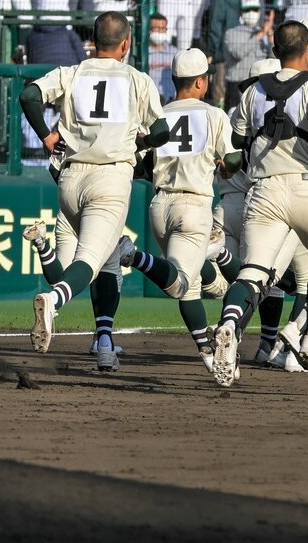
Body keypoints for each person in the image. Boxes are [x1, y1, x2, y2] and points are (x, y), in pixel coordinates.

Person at [210, 19, 308, 386]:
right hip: (306, 187)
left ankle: (230, 325)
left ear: (275, 50)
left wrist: (240, 159)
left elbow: (238, 144)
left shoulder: (253, 92)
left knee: (254, 273)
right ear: (307, 49)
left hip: (263, 192)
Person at [19, 12, 168, 369]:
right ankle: (53, 301)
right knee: (88, 261)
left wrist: (47, 136)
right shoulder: (137, 79)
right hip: (109, 179)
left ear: (92, 43)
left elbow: (29, 96)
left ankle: (104, 342)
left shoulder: (72, 72)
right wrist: (143, 142)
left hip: (70, 179)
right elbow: (162, 132)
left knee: (102, 257)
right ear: (126, 44)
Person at [116, 49, 240, 373]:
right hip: (194, 205)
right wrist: (225, 166)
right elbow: (234, 160)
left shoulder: (160, 116)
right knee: (181, 285)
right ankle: (135, 257)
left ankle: (209, 354)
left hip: (160, 206)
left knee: (191, 287)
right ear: (200, 82)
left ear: (174, 80)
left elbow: (142, 168)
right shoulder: (214, 115)